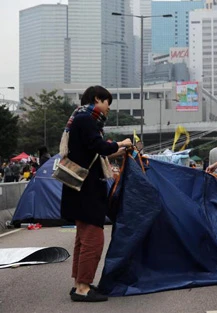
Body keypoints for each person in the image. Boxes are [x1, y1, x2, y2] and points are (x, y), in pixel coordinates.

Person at [59, 85, 132, 302]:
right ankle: (83, 288)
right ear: (97, 99)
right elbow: (98, 145)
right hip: (87, 190)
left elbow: (95, 150)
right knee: (93, 239)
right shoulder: (86, 119)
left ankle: (80, 283)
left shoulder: (79, 119)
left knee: (83, 238)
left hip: (79, 188)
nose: (108, 108)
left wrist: (119, 149)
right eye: (108, 102)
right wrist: (122, 143)